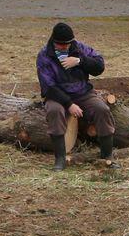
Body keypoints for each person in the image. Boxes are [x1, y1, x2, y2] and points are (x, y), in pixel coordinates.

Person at [36, 22, 111, 170]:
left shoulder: (80, 48)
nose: (64, 47)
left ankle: (107, 155)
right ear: (53, 41)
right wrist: (69, 104)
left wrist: (80, 61)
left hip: (83, 92)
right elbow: (48, 87)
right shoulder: (44, 55)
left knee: (102, 109)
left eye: (67, 44)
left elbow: (99, 66)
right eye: (60, 45)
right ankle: (60, 158)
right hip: (57, 95)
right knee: (54, 111)